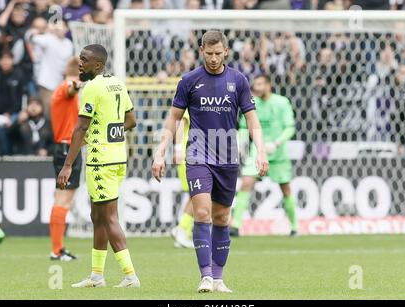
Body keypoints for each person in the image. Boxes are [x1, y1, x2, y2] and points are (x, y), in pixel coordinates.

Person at [152, 30, 268, 293]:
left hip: (227, 157)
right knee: (202, 211)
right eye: (209, 53)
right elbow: (173, 118)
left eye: (218, 53)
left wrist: (260, 151)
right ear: (202, 50)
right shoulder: (189, 80)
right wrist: (161, 151)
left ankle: (218, 278)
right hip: (198, 155)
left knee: (222, 217)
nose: (214, 58)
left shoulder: (238, 80)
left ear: (226, 51)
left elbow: (251, 118)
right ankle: (205, 276)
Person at [57, 44, 139, 288]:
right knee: (97, 216)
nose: (80, 63)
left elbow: (81, 127)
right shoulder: (117, 83)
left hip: (100, 159)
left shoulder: (92, 88)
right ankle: (96, 276)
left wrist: (67, 165)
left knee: (109, 217)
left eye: (84, 60)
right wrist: (111, 130)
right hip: (117, 157)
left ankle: (130, 275)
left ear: (98, 65)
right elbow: (131, 120)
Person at [231, 74, 297, 237]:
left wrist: (277, 143)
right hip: (257, 151)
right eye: (255, 85)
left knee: (286, 189)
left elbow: (290, 127)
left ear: (268, 85)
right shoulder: (252, 103)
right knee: (246, 183)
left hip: (278, 152)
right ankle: (235, 226)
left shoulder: (282, 102)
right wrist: (240, 143)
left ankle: (295, 226)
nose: (257, 88)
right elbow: (244, 127)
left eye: (260, 84)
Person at [48, 57, 82, 261]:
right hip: (66, 149)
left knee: (62, 199)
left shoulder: (61, 89)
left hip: (65, 148)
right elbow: (71, 88)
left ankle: (58, 248)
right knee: (63, 199)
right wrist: (77, 85)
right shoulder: (66, 87)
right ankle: (56, 250)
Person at [170, 110, 194, 249]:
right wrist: (178, 149)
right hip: (188, 155)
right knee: (199, 195)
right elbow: (179, 123)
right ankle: (181, 229)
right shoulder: (189, 99)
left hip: (194, 154)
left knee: (194, 195)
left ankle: (183, 231)